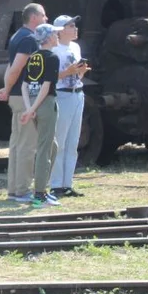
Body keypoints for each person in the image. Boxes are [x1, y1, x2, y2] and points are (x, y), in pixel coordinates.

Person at [0, 3, 47, 203]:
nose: (46, 19)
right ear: (34, 17)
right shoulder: (30, 39)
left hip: (16, 96)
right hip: (25, 97)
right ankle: (23, 190)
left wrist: (8, 89)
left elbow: (10, 66)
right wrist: (7, 89)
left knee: (17, 144)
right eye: (43, 15)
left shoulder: (17, 36)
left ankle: (14, 189)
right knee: (27, 145)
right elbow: (16, 67)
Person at [20, 23, 63, 208]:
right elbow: (46, 86)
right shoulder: (52, 57)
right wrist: (33, 108)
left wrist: (29, 108)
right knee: (45, 149)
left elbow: (24, 85)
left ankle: (42, 189)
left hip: (34, 104)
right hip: (45, 104)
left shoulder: (33, 57)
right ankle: (39, 195)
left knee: (52, 146)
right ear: (48, 38)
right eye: (55, 34)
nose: (57, 36)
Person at [50, 15, 90, 198]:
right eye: (71, 26)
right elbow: (50, 77)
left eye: (75, 25)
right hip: (62, 95)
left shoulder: (75, 47)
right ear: (60, 31)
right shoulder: (53, 49)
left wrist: (80, 72)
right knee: (60, 142)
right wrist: (69, 71)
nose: (75, 29)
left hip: (77, 93)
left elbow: (76, 75)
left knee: (73, 142)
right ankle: (56, 184)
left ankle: (67, 183)